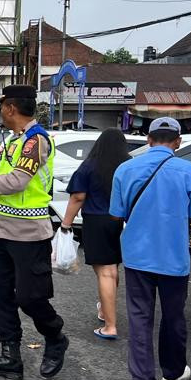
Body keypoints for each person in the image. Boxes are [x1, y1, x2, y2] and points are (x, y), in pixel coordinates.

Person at [0, 85, 67, 380]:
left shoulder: (36, 141)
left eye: (1, 107)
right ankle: (10, 356)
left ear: (11, 108)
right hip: (3, 230)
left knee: (30, 297)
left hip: (30, 233)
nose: (0, 112)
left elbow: (19, 180)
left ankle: (55, 337)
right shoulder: (15, 140)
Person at [109, 117, 191, 380]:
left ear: (149, 139)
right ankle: (173, 371)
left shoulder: (126, 169)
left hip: (137, 256)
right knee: (174, 316)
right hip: (174, 258)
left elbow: (116, 214)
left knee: (140, 317)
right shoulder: (189, 171)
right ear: (177, 141)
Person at [60, 128, 131, 340]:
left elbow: (77, 197)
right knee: (112, 268)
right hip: (122, 222)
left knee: (105, 272)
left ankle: (110, 326)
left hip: (96, 221)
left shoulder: (90, 165)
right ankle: (104, 310)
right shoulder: (129, 166)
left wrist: (66, 224)